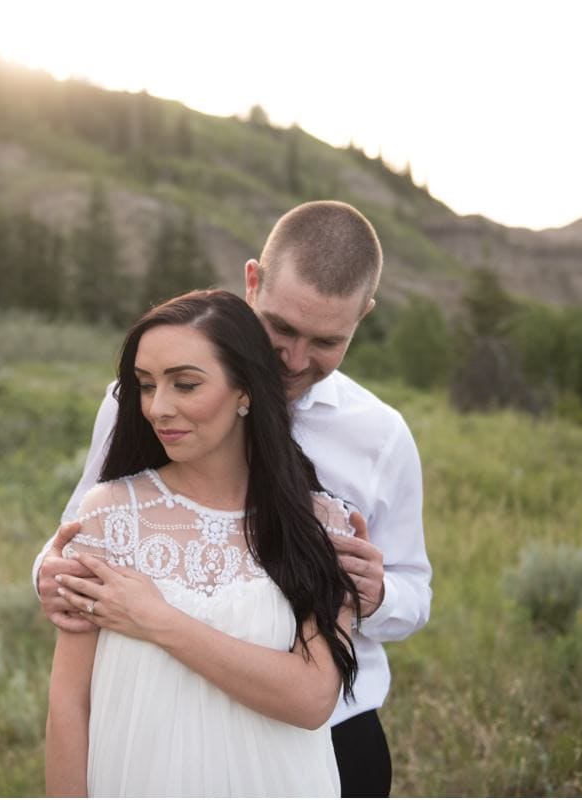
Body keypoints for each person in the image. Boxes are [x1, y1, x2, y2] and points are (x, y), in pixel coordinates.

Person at [35, 200, 432, 796]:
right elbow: (85, 532)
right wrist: (51, 573)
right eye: (283, 328)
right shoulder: (140, 403)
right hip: (153, 736)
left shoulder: (379, 437)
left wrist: (377, 595)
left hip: (328, 736)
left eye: (327, 340)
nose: (296, 360)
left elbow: (413, 591)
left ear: (363, 317)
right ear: (253, 281)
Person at [45, 289, 361, 796]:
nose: (158, 408)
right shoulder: (110, 515)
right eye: (146, 386)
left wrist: (157, 619)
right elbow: (68, 702)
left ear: (245, 392)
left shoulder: (318, 522)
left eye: (185, 385)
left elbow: (311, 699)